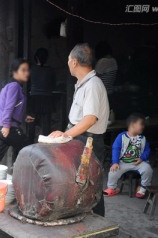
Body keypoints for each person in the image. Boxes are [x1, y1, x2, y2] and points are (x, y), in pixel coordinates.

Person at [49, 43, 109, 216]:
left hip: (89, 141)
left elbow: (90, 118)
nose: (67, 63)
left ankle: (99, 226)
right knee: (81, 184)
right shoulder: (85, 83)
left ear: (74, 62)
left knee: (91, 184)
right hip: (81, 138)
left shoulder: (92, 85)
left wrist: (66, 134)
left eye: (68, 59)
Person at [0, 59, 34, 165]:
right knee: (31, 150)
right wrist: (7, 125)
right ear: (14, 72)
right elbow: (8, 107)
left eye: (27, 70)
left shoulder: (7, 86)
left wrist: (23, 117)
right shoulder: (15, 86)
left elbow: (3, 107)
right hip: (7, 128)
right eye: (23, 70)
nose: (27, 73)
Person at [104, 113, 152, 199]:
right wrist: (115, 162)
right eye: (141, 124)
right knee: (113, 172)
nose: (143, 126)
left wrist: (142, 158)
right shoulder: (121, 137)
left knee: (148, 169)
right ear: (133, 125)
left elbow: (147, 150)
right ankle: (112, 188)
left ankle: (143, 188)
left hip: (138, 163)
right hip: (122, 163)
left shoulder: (143, 138)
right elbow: (116, 149)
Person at [28, 48, 56, 141]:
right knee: (46, 125)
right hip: (47, 99)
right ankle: (46, 144)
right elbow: (53, 85)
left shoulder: (31, 69)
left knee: (31, 123)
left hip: (34, 98)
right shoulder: (50, 70)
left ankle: (30, 142)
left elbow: (28, 84)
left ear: (36, 58)